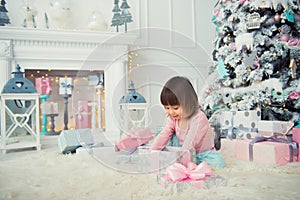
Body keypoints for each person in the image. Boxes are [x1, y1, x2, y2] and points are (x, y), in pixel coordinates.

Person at [150, 76, 225, 168]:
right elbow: (164, 134)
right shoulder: (173, 118)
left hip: (201, 154)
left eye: (175, 108)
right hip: (182, 150)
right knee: (168, 135)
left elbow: (190, 142)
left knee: (218, 162)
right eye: (167, 108)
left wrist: (181, 159)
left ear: (188, 103)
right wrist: (152, 151)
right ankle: (177, 157)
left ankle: (183, 160)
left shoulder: (199, 118)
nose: (171, 112)